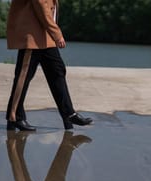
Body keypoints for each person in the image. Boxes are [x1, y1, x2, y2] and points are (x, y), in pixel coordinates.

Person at [5, 0, 93, 131]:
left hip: (45, 36)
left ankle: (69, 114)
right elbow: (41, 6)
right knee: (23, 77)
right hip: (33, 36)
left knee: (57, 71)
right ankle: (14, 117)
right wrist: (57, 34)